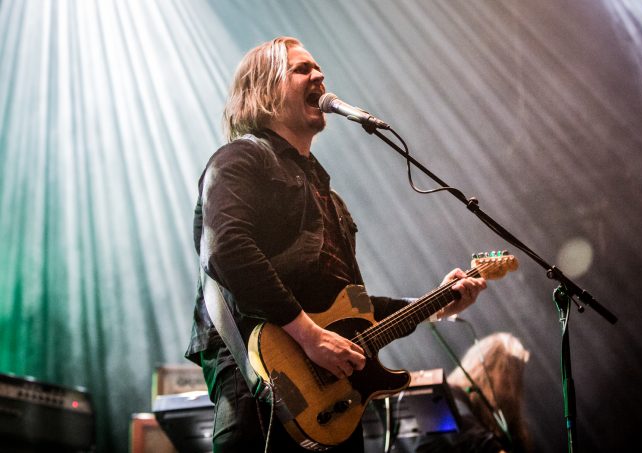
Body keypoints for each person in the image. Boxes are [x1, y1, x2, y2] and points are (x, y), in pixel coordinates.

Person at [184, 36, 487, 453]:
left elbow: (351, 310)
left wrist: (435, 302)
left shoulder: (328, 197)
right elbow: (228, 250)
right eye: (302, 69)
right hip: (261, 386)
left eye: (319, 68)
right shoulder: (240, 159)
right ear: (264, 90)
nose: (319, 75)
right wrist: (310, 336)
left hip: (334, 406)